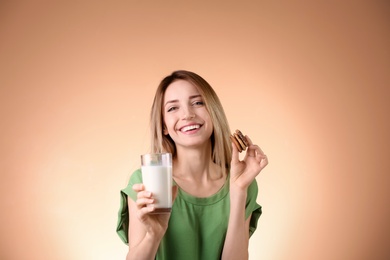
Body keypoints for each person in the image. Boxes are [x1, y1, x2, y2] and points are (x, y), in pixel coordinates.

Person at [116, 70, 268, 260]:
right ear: (163, 125)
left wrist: (238, 191)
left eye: (198, 103)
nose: (187, 114)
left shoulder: (243, 183)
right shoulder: (147, 181)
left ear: (213, 112)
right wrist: (153, 236)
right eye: (172, 108)